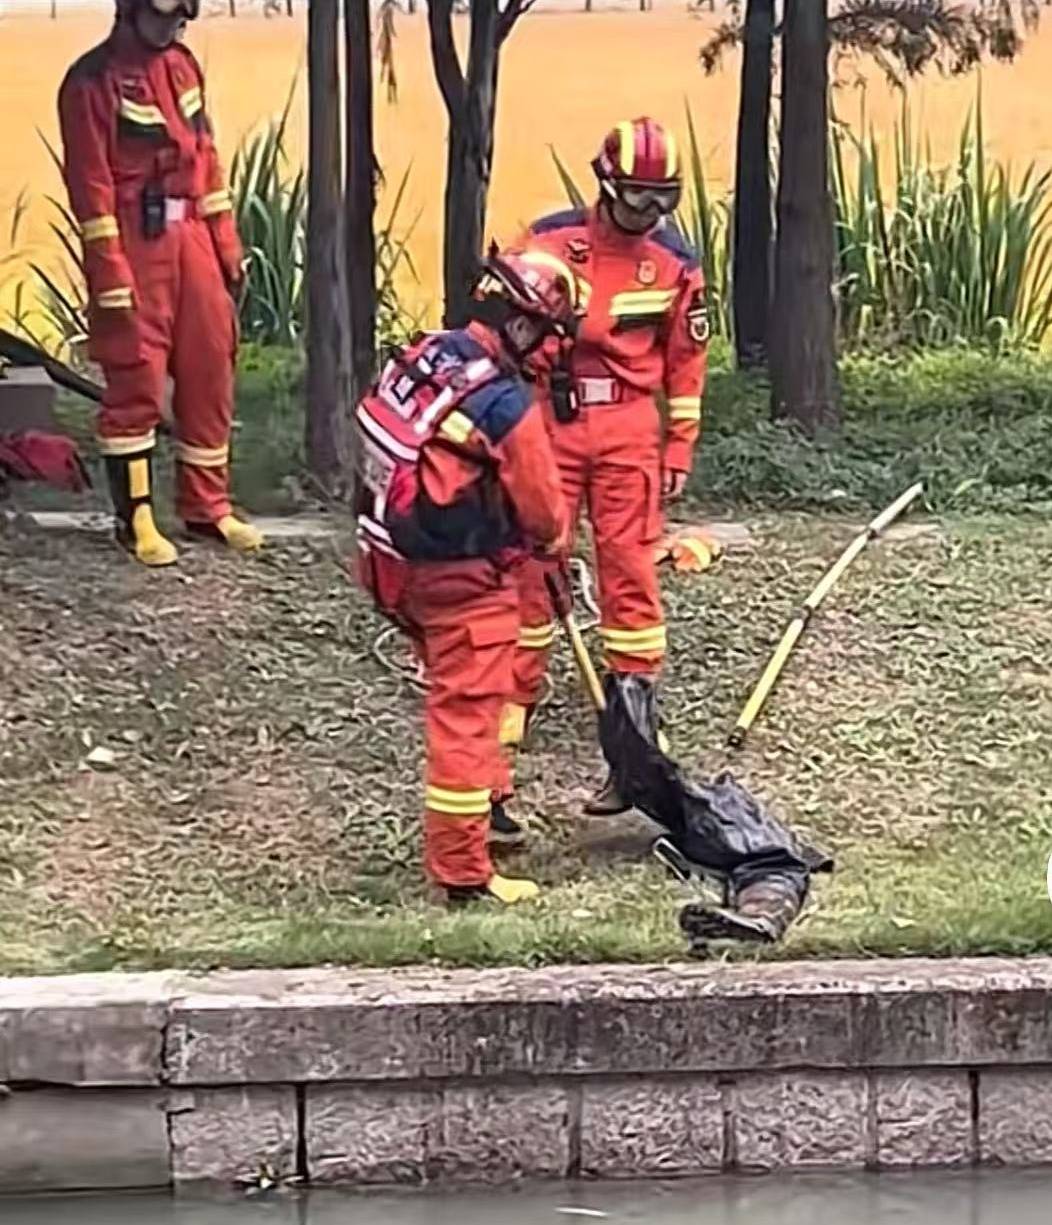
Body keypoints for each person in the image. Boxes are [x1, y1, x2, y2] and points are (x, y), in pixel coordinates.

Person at [498, 116, 710, 831]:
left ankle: (634, 731)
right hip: (552, 425)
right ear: (607, 185)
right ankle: (511, 708)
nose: (651, 215)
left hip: (627, 431)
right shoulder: (553, 241)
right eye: (639, 198)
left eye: (665, 200)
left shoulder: (675, 261)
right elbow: (505, 325)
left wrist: (679, 444)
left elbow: (686, 360)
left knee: (631, 571)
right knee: (537, 567)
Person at [354, 249, 580, 904]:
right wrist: (553, 544)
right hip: (460, 581)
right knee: (469, 711)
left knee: (466, 693)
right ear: (522, 325)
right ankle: (463, 872)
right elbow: (542, 511)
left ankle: (493, 809)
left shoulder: (433, 353)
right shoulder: (504, 403)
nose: (547, 352)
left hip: (387, 561)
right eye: (546, 335)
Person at [57, 0, 261, 567]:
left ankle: (207, 505)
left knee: (209, 365)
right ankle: (137, 517)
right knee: (137, 373)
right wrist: (110, 274)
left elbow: (207, 160)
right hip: (135, 241)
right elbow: (90, 187)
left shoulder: (183, 66)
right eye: (167, 16)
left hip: (191, 233)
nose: (176, 26)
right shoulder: (89, 83)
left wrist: (225, 244)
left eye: (182, 18)